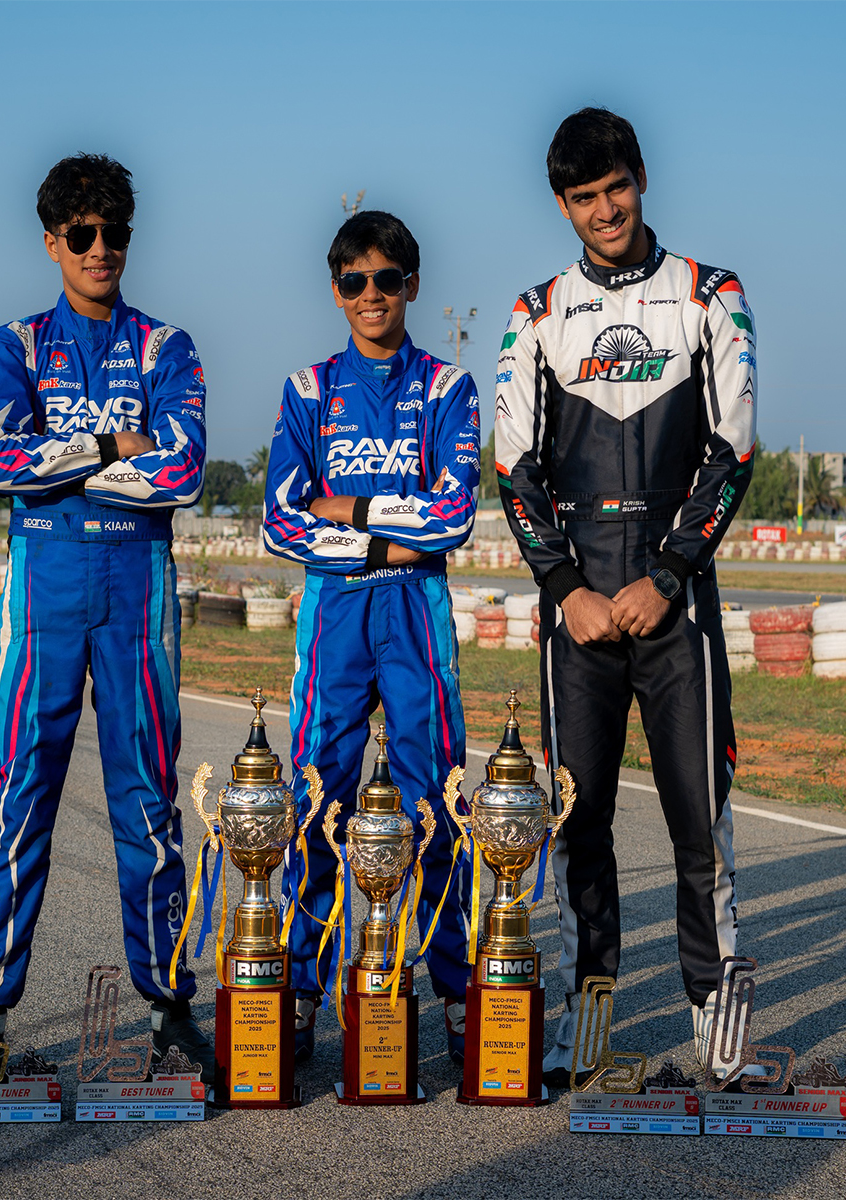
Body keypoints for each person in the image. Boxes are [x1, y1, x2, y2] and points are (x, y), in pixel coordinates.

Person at [0, 153, 213, 1082]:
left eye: (114, 234)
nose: (100, 250)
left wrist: (70, 458)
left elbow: (184, 470)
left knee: (147, 803)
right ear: (51, 243)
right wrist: (109, 443)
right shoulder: (14, 342)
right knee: (21, 796)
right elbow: (2, 462)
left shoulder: (170, 347)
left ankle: (168, 1006)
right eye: (81, 235)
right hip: (43, 591)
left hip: (137, 593)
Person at [493, 108, 756, 1084]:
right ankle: (587, 1022)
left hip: (674, 605)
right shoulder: (535, 312)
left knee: (702, 820)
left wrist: (668, 572)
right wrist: (563, 585)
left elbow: (733, 452)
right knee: (578, 824)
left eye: (616, 189)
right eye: (583, 197)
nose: (604, 211)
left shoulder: (710, 293)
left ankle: (716, 1031)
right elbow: (512, 464)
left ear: (640, 180)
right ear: (561, 204)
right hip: (581, 616)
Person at [261, 210, 480, 1065]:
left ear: (412, 286)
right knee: (319, 800)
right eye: (354, 281)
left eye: (387, 279)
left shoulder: (447, 389)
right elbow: (280, 522)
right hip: (335, 615)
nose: (371, 295)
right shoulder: (308, 389)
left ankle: (460, 992)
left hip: (416, 610)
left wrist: (349, 509)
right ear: (335, 290)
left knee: (440, 804)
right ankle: (305, 992)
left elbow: (453, 516)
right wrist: (397, 527)